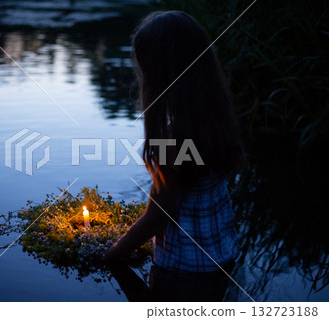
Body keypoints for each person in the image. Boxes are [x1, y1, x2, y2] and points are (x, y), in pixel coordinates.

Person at [105, 11, 244, 302]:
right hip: (224, 258)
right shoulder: (215, 117)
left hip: (184, 272)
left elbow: (158, 217)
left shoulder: (171, 139)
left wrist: (110, 255)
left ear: (157, 75)